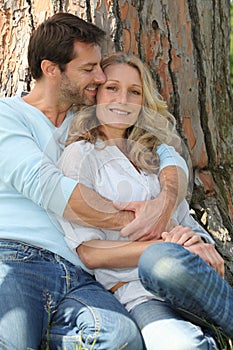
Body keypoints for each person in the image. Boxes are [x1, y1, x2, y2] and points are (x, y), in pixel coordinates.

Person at [0, 12, 190, 350]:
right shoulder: (8, 116)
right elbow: (50, 188)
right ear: (51, 69)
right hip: (16, 257)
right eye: (89, 70)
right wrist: (144, 224)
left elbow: (166, 153)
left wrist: (163, 204)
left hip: (80, 271)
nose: (100, 77)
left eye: (99, 66)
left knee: (122, 338)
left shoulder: (89, 118)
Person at [57, 52, 233, 349]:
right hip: (135, 291)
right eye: (112, 88)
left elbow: (184, 220)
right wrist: (163, 247)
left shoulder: (154, 155)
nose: (123, 99)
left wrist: (196, 243)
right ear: (95, 93)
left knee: (165, 262)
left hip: (191, 280)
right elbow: (89, 253)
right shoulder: (80, 156)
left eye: (134, 91)